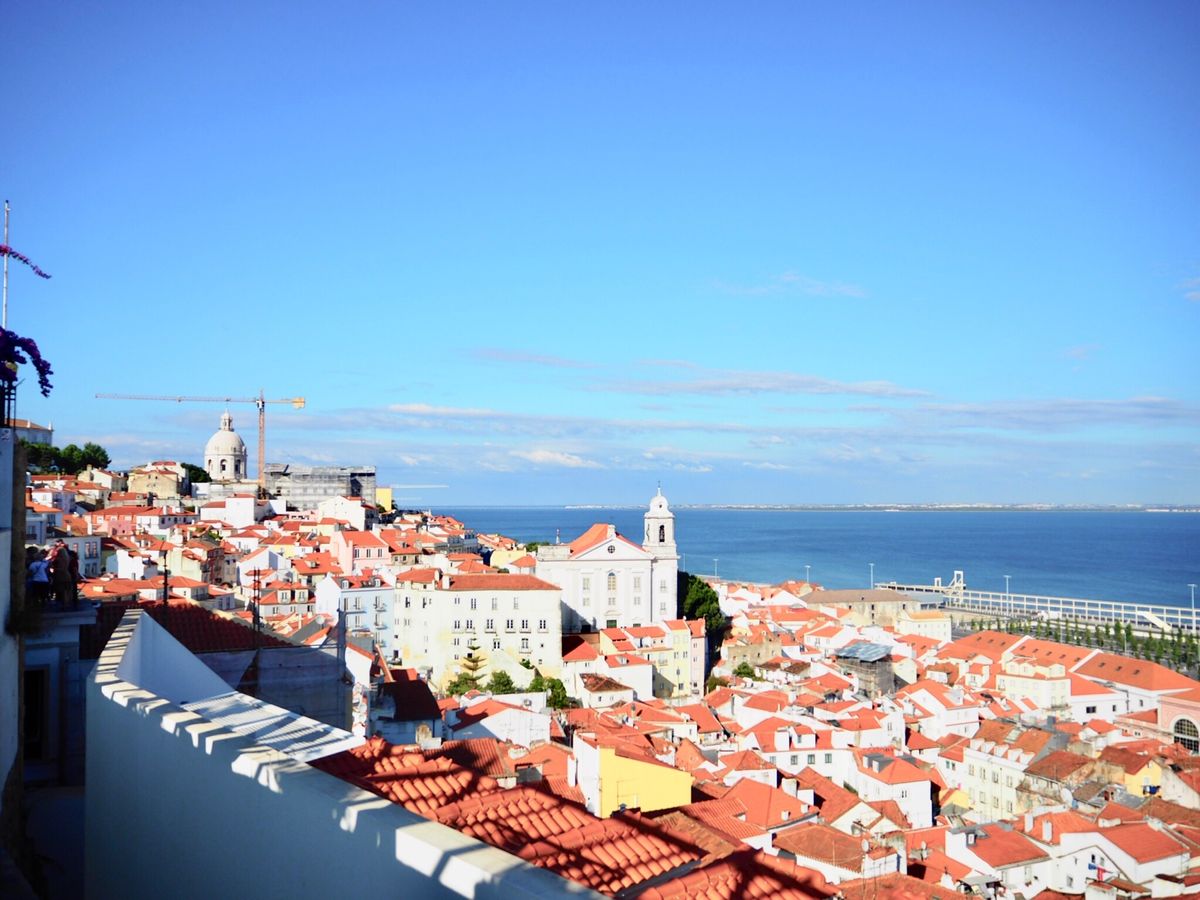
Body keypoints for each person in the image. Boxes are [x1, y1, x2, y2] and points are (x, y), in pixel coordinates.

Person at [49, 540, 76, 608]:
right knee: (66, 590)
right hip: (67, 575)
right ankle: (66, 603)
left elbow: (51, 564)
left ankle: (62, 604)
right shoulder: (67, 558)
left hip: (59, 575)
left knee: (61, 590)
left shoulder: (57, 559)